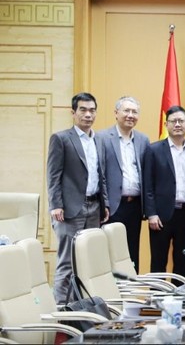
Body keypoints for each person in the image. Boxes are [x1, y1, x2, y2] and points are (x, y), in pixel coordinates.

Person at [47, 92, 109, 304]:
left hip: (94, 207)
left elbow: (101, 175)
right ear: (73, 113)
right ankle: (61, 313)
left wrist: (105, 204)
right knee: (67, 262)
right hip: (69, 210)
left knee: (86, 262)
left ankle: (79, 309)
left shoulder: (99, 139)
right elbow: (53, 175)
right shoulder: (61, 139)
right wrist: (55, 205)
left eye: (92, 110)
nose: (88, 114)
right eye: (83, 110)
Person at [98, 96, 150, 273]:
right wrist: (103, 204)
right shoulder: (102, 138)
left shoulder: (143, 140)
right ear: (116, 113)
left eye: (134, 112)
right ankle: (111, 296)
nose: (130, 115)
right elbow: (100, 174)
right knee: (110, 254)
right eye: (126, 111)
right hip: (112, 207)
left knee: (132, 253)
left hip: (135, 206)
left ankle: (131, 295)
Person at [142, 105, 185, 279]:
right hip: (161, 215)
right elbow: (147, 185)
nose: (177, 124)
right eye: (173, 121)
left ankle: (179, 301)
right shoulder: (154, 149)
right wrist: (151, 214)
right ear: (166, 125)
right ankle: (156, 301)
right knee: (158, 261)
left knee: (182, 261)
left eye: (181, 121)